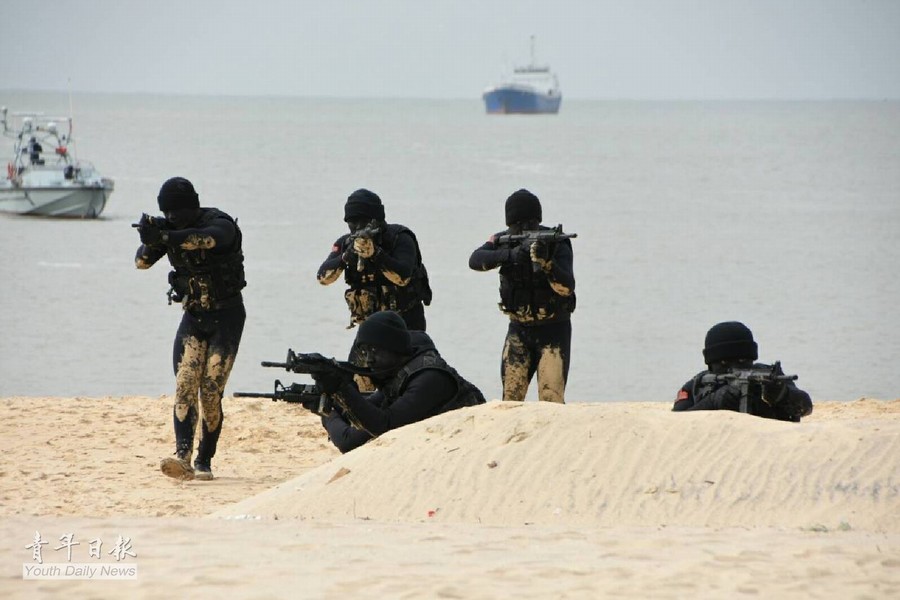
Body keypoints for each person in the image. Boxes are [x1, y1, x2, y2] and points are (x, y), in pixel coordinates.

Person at [134, 177, 247, 480]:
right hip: (194, 316)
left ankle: (204, 460)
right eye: (166, 212)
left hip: (227, 316)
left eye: (177, 211)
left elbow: (207, 239)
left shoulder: (220, 223)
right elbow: (142, 262)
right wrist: (152, 236)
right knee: (185, 385)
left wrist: (165, 235)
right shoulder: (170, 230)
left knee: (210, 392)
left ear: (193, 205)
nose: (172, 216)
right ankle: (182, 456)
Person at [313, 311, 486, 453]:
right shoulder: (399, 370)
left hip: (470, 448)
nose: (369, 359)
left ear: (393, 347)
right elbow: (361, 410)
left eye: (374, 350)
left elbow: (355, 437)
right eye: (365, 352)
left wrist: (330, 409)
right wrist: (329, 397)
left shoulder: (428, 379)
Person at [468, 189, 576, 403]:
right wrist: (511, 255)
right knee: (511, 399)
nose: (526, 228)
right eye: (519, 225)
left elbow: (567, 287)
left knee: (551, 399)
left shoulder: (556, 242)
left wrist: (547, 263)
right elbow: (475, 260)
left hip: (553, 330)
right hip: (518, 329)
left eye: (531, 223)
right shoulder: (503, 241)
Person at [317, 188, 432, 331]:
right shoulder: (346, 243)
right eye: (352, 222)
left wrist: (376, 255)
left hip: (406, 322)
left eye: (363, 221)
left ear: (376, 219)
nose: (358, 226)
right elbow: (323, 278)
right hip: (370, 325)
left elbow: (403, 277)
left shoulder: (399, 238)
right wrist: (345, 257)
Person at [672, 321, 813, 422]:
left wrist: (782, 395)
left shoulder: (765, 375)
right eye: (724, 363)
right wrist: (712, 402)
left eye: (742, 361)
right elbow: (676, 422)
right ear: (711, 364)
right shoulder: (697, 384)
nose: (735, 368)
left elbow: (806, 408)